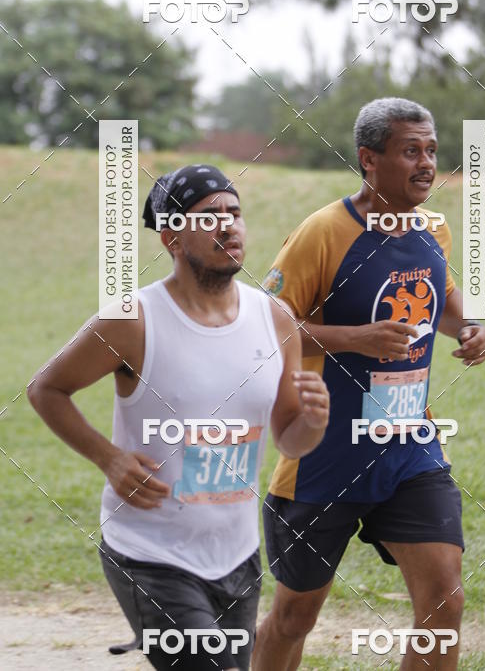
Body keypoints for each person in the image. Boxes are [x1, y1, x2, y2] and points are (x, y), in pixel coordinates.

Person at [28, 164, 329, 671]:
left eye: (235, 212)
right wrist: (110, 459)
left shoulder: (275, 319)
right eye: (211, 216)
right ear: (171, 236)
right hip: (149, 552)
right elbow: (46, 389)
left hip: (237, 555)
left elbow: (289, 440)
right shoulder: (131, 320)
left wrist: (314, 423)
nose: (230, 225)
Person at [255, 99, 485, 671]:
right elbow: (263, 330)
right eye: (411, 150)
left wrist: (469, 328)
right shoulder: (323, 233)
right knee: (294, 616)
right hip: (323, 458)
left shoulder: (433, 228)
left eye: (432, 150)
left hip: (410, 449)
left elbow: (441, 297)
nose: (427, 164)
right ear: (369, 159)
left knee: (444, 603)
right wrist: (355, 339)